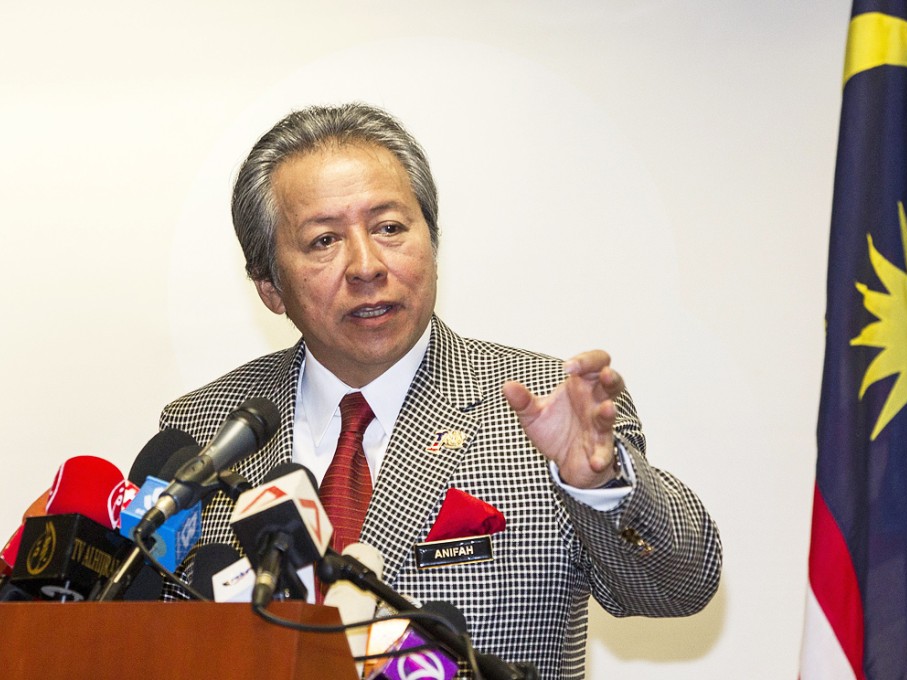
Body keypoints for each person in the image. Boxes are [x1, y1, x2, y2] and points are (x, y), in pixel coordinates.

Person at [160, 103, 722, 679]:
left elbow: (677, 587)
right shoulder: (205, 429)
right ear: (270, 287)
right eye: (325, 240)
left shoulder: (544, 409)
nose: (366, 265)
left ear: (432, 242)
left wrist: (601, 486)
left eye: (390, 228)